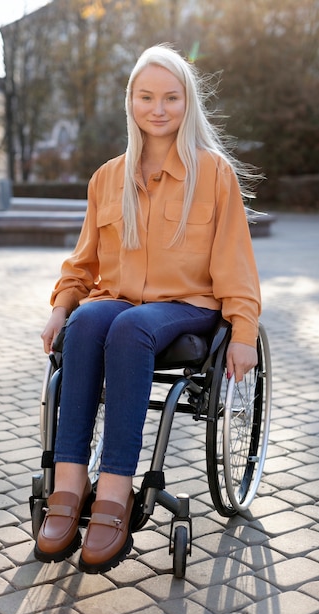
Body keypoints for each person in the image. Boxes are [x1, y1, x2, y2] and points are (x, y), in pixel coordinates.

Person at [35, 44, 261, 573]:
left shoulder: (214, 174)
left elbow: (235, 262)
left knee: (130, 327)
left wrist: (244, 332)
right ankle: (69, 483)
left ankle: (115, 488)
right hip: (114, 303)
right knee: (89, 319)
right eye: (146, 97)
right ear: (131, 102)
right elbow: (83, 262)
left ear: (188, 104)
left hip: (187, 306)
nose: (158, 108)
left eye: (171, 98)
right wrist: (60, 306)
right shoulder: (108, 177)